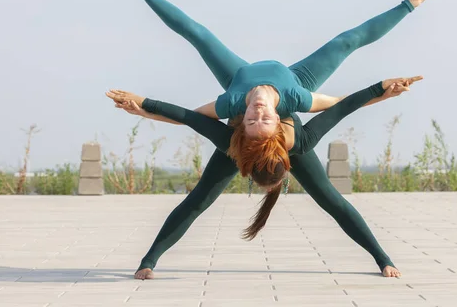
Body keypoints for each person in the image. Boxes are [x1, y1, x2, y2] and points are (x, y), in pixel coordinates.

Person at [111, 0, 437, 178]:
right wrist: (386, 92)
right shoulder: (297, 98)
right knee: (346, 42)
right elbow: (345, 104)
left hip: (238, 77)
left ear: (243, 120)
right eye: (264, 119)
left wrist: (141, 109)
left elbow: (185, 118)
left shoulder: (233, 102)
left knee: (197, 34)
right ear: (279, 122)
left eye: (253, 119)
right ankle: (414, 2)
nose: (259, 112)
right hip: (296, 77)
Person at [107, 75, 422, 281]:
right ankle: (150, 259)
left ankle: (381, 256)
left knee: (331, 201)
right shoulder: (231, 142)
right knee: (198, 201)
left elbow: (187, 116)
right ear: (241, 161)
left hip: (279, 147)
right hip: (247, 143)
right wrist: (381, 88)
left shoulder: (298, 142)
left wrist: (143, 103)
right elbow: (187, 117)